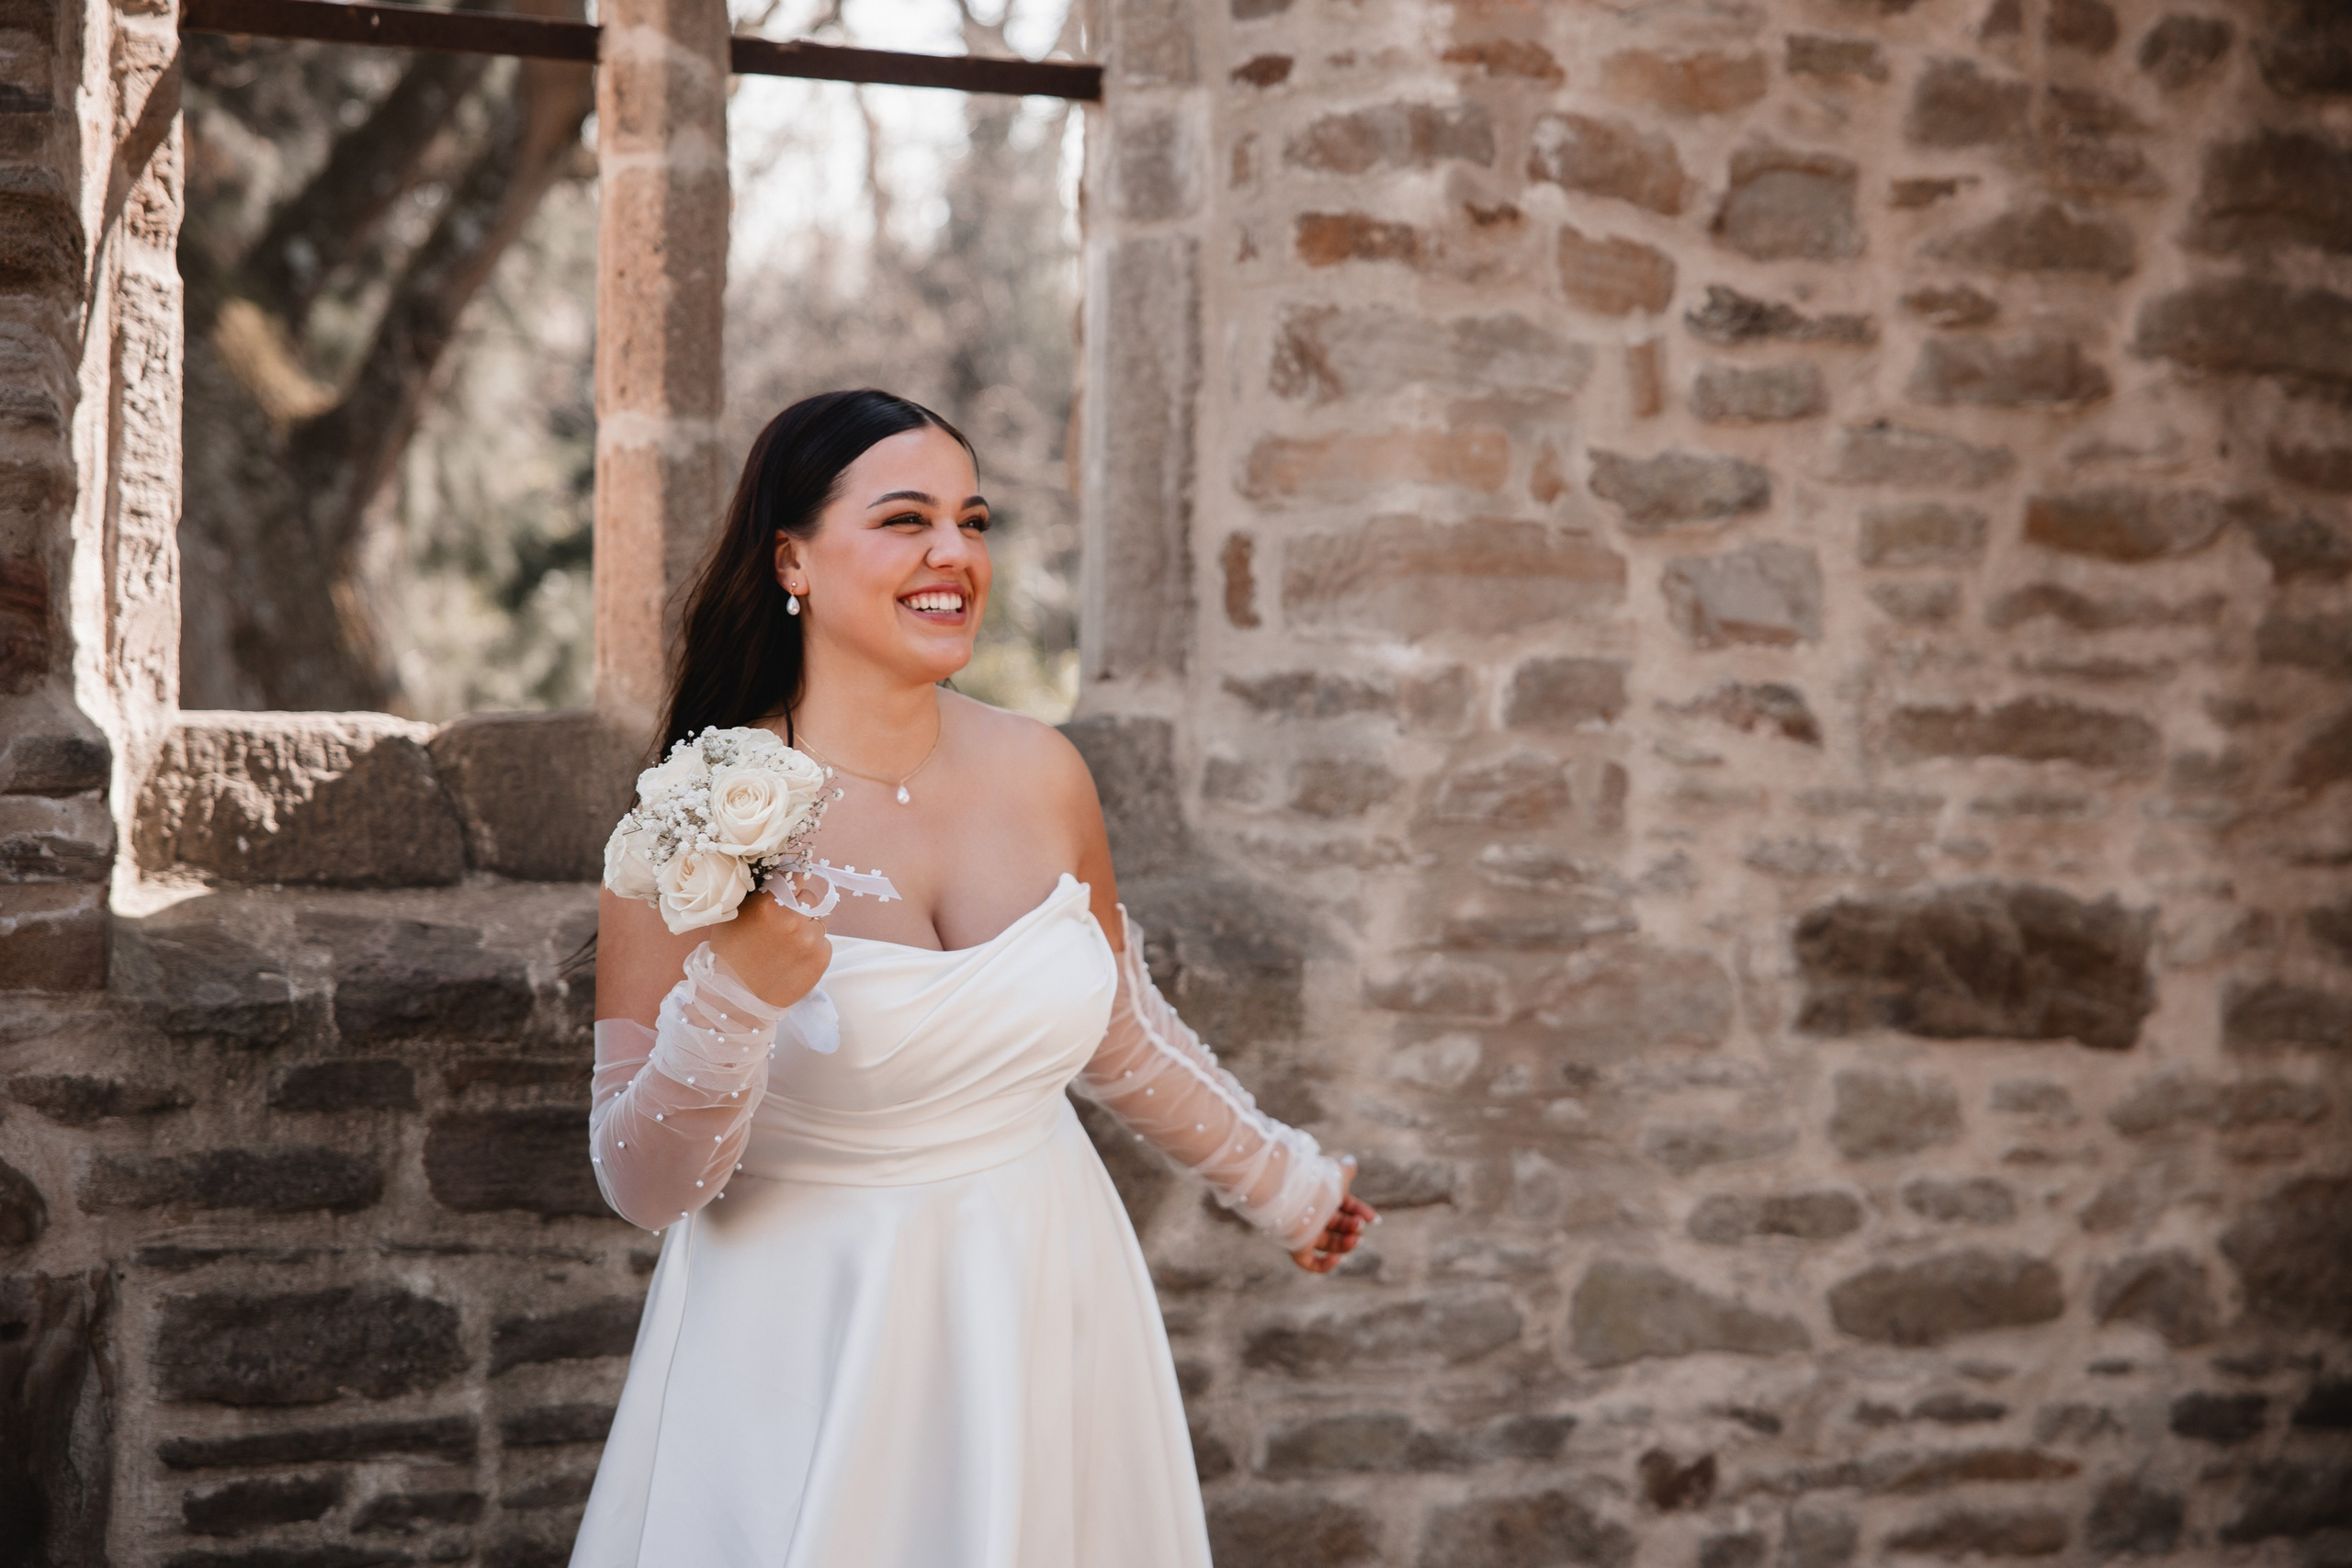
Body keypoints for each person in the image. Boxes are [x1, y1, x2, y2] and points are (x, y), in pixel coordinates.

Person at [571, 389, 1377, 1567]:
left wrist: (1287, 1187)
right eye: (905, 520)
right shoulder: (690, 826)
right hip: (814, 1338)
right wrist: (734, 998)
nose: (953, 552)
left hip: (1046, 1287)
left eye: (974, 519)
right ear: (789, 555)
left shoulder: (1045, 771)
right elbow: (641, 1184)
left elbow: (1117, 1028)